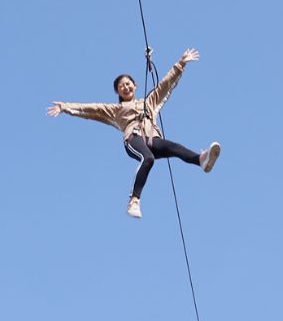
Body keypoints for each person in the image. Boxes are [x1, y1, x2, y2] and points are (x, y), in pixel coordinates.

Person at [47, 47, 221, 219]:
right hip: (133, 139)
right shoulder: (115, 110)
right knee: (148, 158)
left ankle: (201, 160)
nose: (125, 87)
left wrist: (181, 63)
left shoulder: (149, 102)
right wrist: (65, 107)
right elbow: (90, 109)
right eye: (121, 86)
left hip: (153, 138)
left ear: (135, 85)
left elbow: (165, 85)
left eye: (128, 84)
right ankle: (134, 200)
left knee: (173, 147)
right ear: (117, 92)